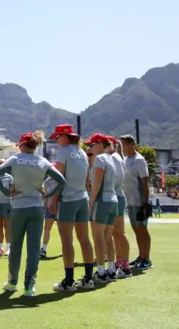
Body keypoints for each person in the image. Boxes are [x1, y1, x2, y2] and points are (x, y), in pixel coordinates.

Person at [0, 131, 67, 297]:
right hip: (37, 207)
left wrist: (6, 192)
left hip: (18, 208)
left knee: (16, 247)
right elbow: (61, 181)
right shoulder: (42, 161)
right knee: (33, 249)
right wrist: (46, 195)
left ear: (23, 145)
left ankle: (12, 283)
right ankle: (29, 287)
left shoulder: (15, 159)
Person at [47, 125, 96, 292]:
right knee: (85, 239)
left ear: (64, 136)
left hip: (67, 200)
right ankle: (89, 278)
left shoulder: (64, 151)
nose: (56, 140)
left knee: (66, 241)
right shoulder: (82, 152)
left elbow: (59, 179)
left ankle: (69, 281)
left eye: (57, 137)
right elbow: (86, 180)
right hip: (82, 198)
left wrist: (52, 201)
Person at [85, 133, 119, 283]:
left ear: (99, 143)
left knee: (98, 238)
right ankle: (111, 270)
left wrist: (91, 200)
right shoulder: (111, 158)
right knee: (108, 237)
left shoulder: (99, 159)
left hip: (102, 200)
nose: (90, 148)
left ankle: (100, 272)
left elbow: (97, 182)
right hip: (113, 200)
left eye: (92, 145)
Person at [120, 134, 153, 270]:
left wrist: (145, 203)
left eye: (124, 144)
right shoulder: (126, 159)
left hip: (139, 201)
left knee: (142, 230)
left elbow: (145, 182)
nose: (122, 147)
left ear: (131, 144)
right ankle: (141, 256)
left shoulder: (139, 160)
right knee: (136, 229)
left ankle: (147, 259)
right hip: (130, 201)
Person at [108, 135, 132, 279]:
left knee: (120, 232)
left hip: (116, 196)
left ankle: (125, 266)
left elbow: (117, 178)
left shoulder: (115, 157)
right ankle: (119, 262)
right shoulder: (116, 157)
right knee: (115, 233)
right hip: (116, 195)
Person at [40, 179, 57, 259]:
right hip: (49, 207)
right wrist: (44, 205)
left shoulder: (63, 178)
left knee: (63, 230)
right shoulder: (47, 182)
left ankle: (65, 249)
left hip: (61, 207)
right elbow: (45, 195)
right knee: (47, 227)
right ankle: (43, 249)